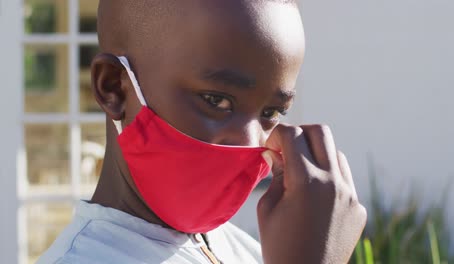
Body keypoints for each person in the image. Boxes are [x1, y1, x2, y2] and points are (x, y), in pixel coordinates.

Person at [38, 0, 366, 263]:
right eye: (216, 100)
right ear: (113, 87)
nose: (251, 142)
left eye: (271, 112)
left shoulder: (242, 247)